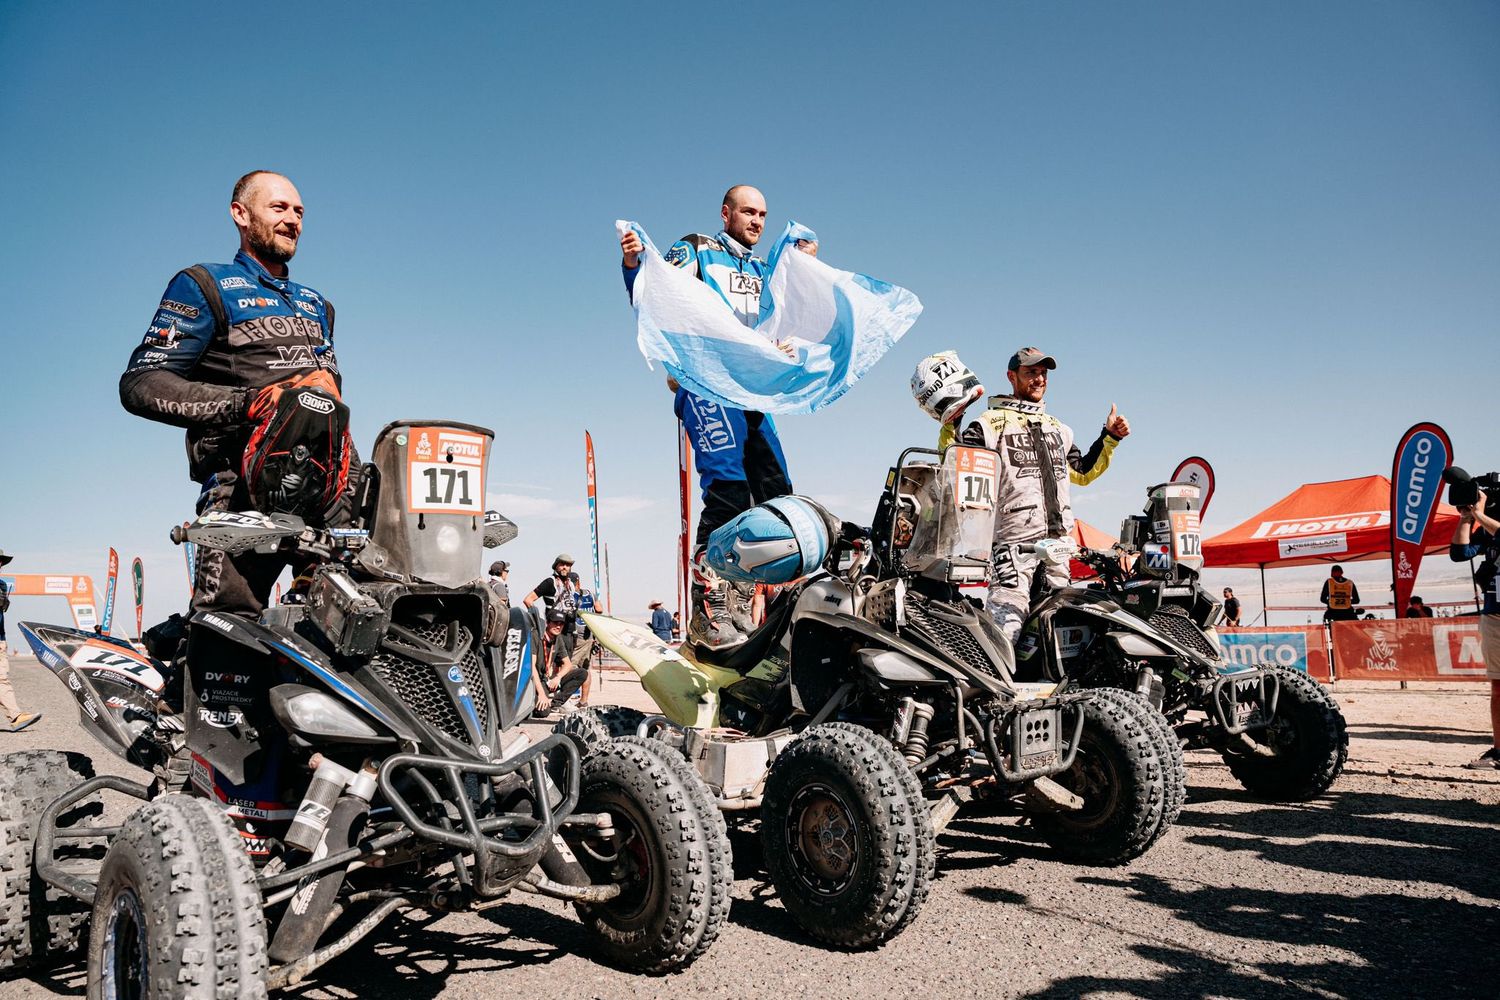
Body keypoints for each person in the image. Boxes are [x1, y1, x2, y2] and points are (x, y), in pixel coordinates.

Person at [119, 170, 351, 619]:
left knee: (356, 622)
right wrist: (251, 403)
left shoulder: (318, 305)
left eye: (299, 211)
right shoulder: (204, 282)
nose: (292, 220)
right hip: (242, 484)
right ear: (240, 214)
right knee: (227, 626)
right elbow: (140, 383)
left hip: (331, 488)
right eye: (278, 208)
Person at [619, 185, 816, 649]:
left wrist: (805, 269)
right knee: (728, 492)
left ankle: (747, 598)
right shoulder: (697, 249)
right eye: (748, 211)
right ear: (726, 213)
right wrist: (632, 264)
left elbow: (781, 317)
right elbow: (655, 288)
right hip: (707, 384)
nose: (757, 221)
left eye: (764, 214)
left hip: (750, 393)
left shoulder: (764, 269)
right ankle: (708, 608)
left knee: (775, 496)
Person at [921, 347, 1129, 640]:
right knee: (1007, 628)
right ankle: (991, 685)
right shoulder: (988, 424)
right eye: (1031, 372)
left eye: (1043, 373)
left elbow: (1082, 472)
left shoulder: (1059, 428)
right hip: (1012, 545)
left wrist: (1110, 438)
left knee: (1060, 629)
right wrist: (951, 423)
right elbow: (957, 467)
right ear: (1012, 377)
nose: (1039, 379)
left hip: (1058, 546)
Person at [1452, 497, 1500, 768]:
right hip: (1494, 615)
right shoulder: (1487, 529)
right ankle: (1499, 751)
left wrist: (1480, 515)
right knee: (1498, 687)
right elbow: (1460, 553)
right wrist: (1466, 518)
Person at [0, 549, 42, 733]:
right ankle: (16, 715)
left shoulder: (1, 585)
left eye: (1, 561)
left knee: (1, 679)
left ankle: (16, 716)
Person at [522, 555, 579, 633]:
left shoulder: (570, 584)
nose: (565, 567)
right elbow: (528, 600)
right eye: (562, 564)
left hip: (570, 629)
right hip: (555, 629)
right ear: (556, 566)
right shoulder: (550, 582)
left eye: (568, 565)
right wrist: (539, 621)